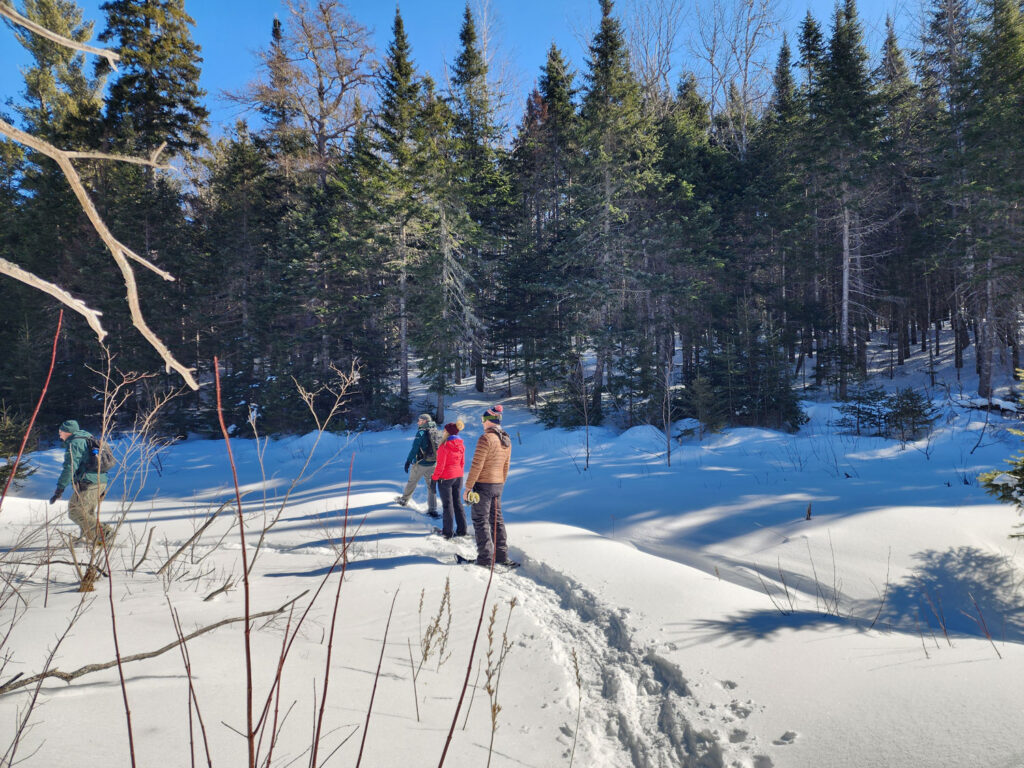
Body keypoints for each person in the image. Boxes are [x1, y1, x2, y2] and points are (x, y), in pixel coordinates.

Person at [49, 419, 113, 545]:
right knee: (87, 513)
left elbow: (70, 467)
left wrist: (60, 488)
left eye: (60, 432)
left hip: (89, 483)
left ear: (68, 432)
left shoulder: (75, 443)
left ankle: (105, 532)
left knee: (75, 511)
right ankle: (91, 540)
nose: (59, 435)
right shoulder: (88, 438)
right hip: (100, 481)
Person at [464, 404, 513, 566]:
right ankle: (501, 556)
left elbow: (477, 465)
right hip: (497, 485)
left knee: (480, 519)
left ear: (489, 420)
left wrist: (468, 488)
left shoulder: (485, 439)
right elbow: (506, 466)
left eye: (483, 420)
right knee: (496, 520)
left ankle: (485, 558)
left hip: (483, 485)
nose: (482, 423)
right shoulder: (506, 439)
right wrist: (500, 483)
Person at [397, 413, 439, 517]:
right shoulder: (436, 431)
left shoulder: (421, 432)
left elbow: (415, 448)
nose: (417, 422)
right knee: (431, 487)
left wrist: (408, 461)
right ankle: (432, 509)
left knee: (412, 481)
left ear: (425, 421)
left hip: (421, 464)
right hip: (433, 464)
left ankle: (404, 500)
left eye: (419, 420)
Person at [431, 421, 467, 539]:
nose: (443, 432)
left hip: (446, 478)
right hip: (458, 477)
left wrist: (434, 479)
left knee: (447, 505)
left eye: (445, 430)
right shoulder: (461, 445)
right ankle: (462, 530)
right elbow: (462, 463)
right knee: (457, 503)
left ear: (448, 432)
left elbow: (440, 466)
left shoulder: (444, 446)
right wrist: (459, 473)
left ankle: (447, 532)